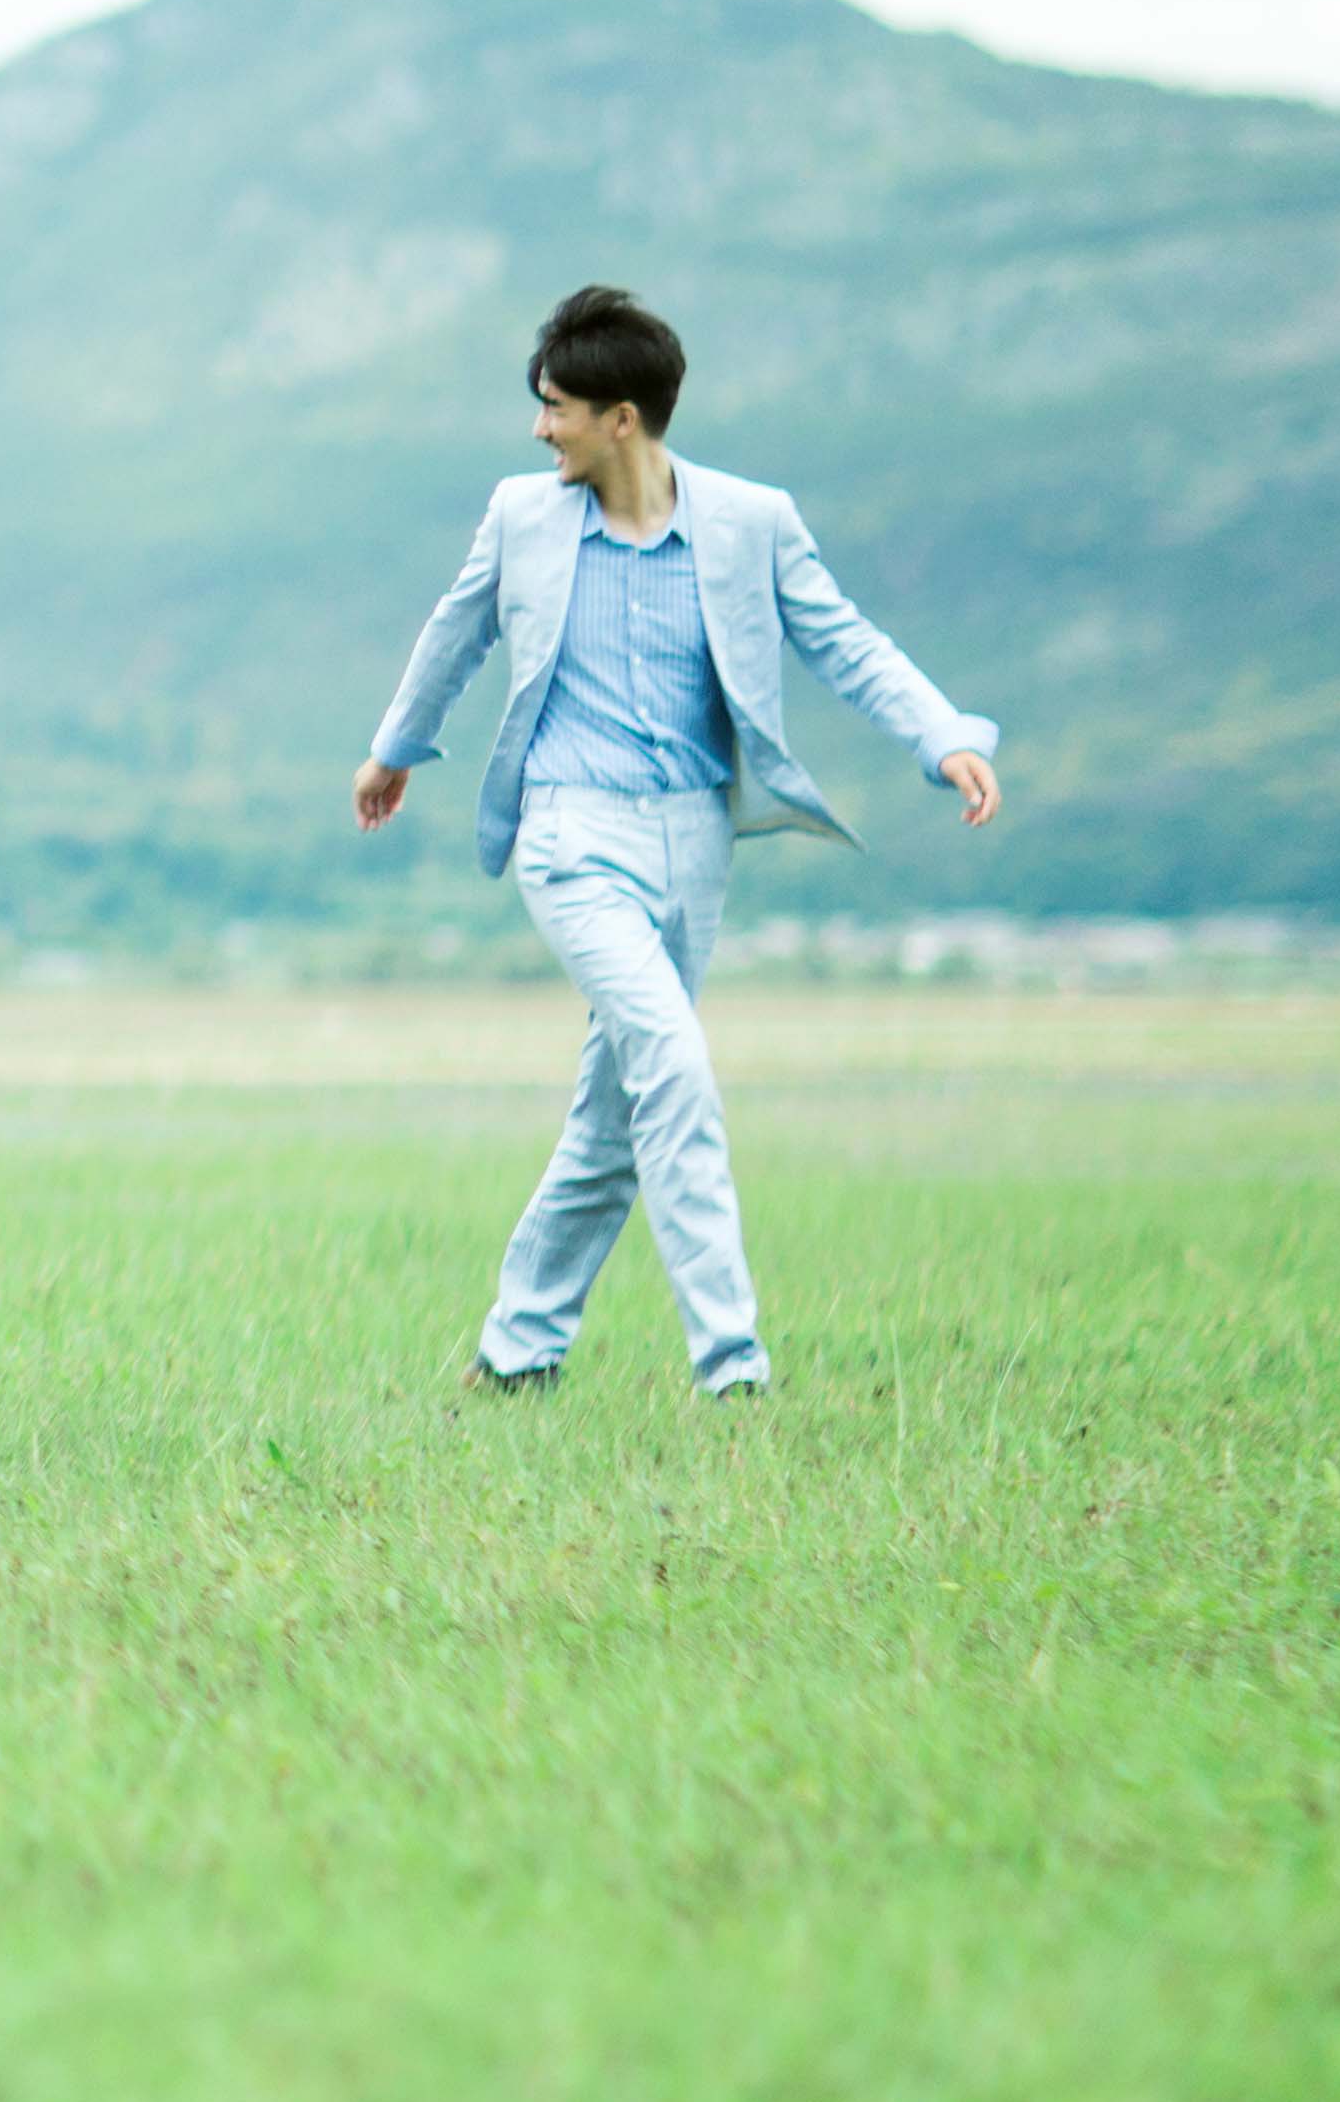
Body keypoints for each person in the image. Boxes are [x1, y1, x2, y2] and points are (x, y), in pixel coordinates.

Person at [352, 287, 998, 1397]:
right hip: (566, 828)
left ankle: (513, 1356)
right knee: (675, 1067)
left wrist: (939, 735)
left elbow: (842, 640)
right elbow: (455, 630)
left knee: (614, 1114)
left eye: (552, 405)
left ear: (620, 417)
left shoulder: (751, 520)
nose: (535, 426)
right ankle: (733, 1369)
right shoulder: (520, 515)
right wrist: (395, 747)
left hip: (692, 840)